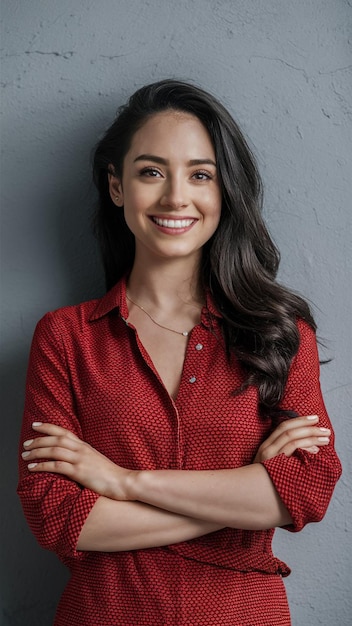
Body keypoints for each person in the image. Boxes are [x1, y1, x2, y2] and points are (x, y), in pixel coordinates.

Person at [18, 79, 341, 626]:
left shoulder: (280, 333)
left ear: (223, 191)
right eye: (151, 172)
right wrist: (247, 494)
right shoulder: (64, 337)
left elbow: (307, 490)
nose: (175, 197)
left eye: (200, 174)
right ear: (117, 187)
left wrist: (123, 482)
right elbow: (58, 516)